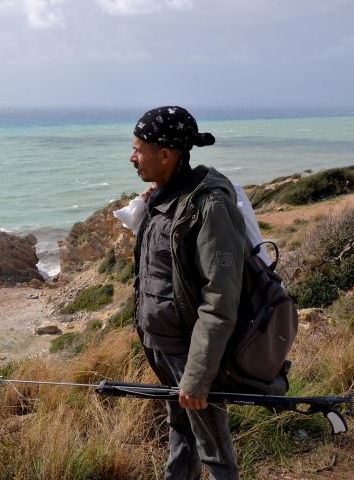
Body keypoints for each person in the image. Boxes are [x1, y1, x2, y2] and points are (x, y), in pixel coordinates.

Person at [130, 106, 244, 480]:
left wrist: (198, 373)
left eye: (139, 148)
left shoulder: (208, 205)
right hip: (163, 348)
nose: (132, 157)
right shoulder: (166, 196)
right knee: (181, 435)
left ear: (166, 154)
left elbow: (221, 297)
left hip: (190, 351)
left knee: (214, 452)